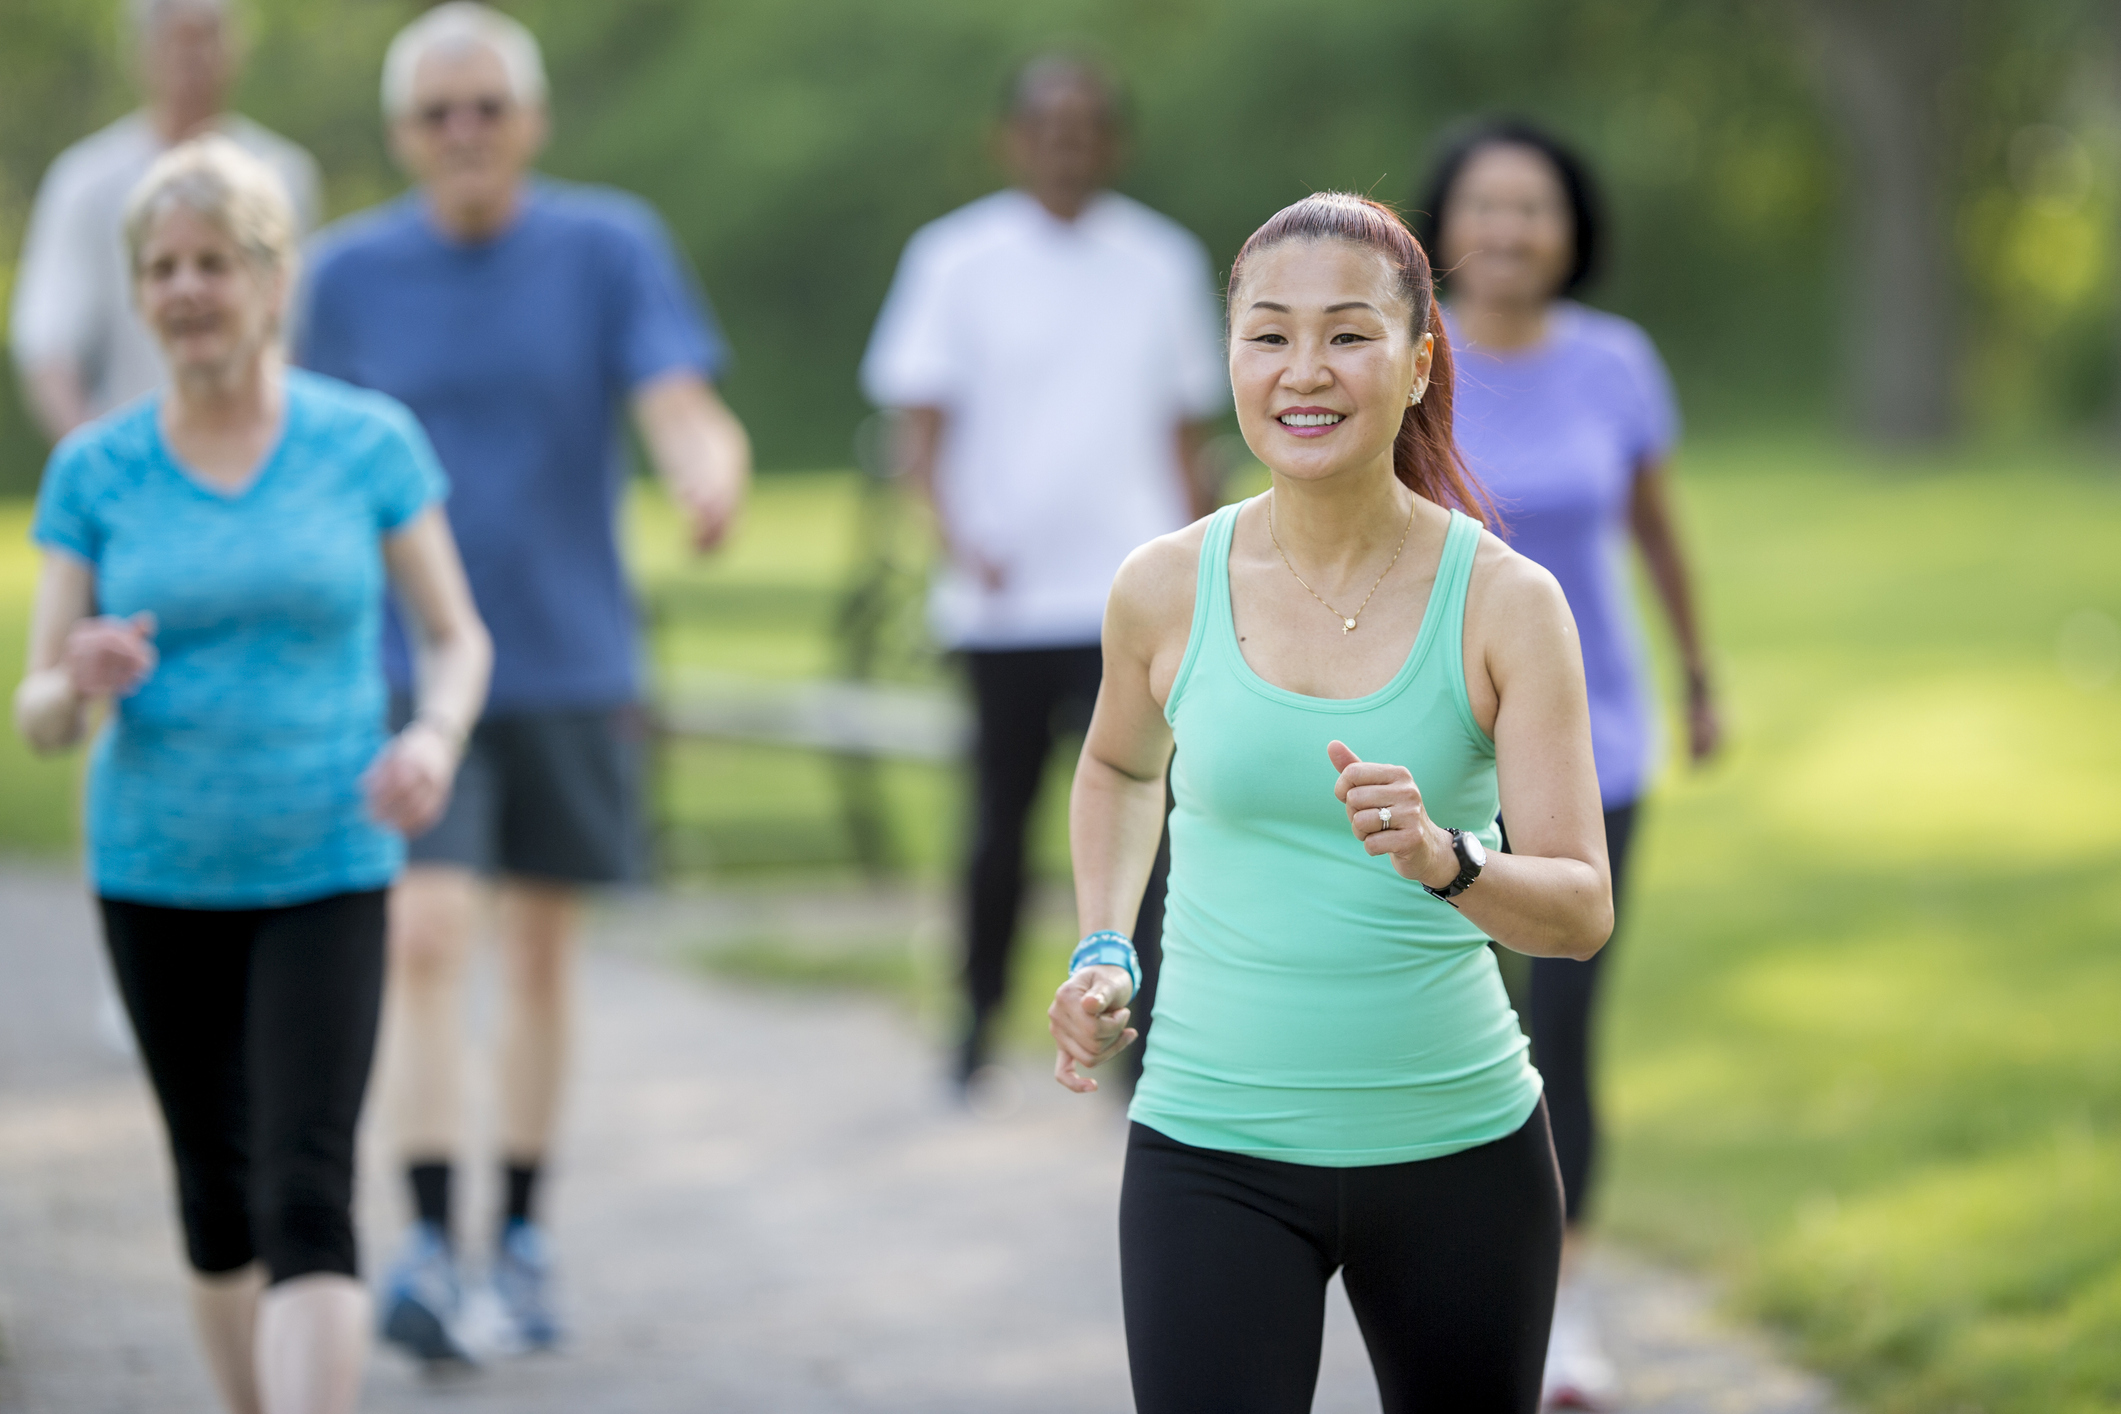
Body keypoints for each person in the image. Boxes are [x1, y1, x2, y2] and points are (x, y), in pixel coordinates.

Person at [1049, 192, 1614, 1413]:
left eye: (1349, 336)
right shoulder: (1162, 587)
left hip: (1460, 1151)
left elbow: (1579, 910)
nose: (1306, 371)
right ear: (1232, 359)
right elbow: (1118, 766)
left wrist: (1450, 859)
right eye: (1269, 335)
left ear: (1417, 366)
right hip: (1210, 1148)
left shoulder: (1508, 604)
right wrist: (1104, 943)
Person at [297, 1, 750, 1364]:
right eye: (438, 114)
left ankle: (528, 1231)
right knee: (427, 933)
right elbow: (304, 457)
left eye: (487, 106)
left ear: (531, 121)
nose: (465, 133)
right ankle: (433, 1240)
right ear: (403, 136)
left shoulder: (607, 244)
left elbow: (679, 398)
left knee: (544, 952)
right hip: (409, 662)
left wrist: (705, 468)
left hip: (567, 653)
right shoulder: (347, 277)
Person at [11, 137, 489, 1414]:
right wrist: (75, 676)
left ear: (270, 280)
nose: (186, 290)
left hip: (328, 856)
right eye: (162, 267)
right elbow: (35, 712)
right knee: (215, 1193)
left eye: (213, 262)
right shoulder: (95, 470)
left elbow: (456, 636)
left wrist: (432, 737)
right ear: (137, 291)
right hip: (155, 868)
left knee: (305, 1186)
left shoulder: (365, 444)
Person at [1418, 120, 1724, 1411]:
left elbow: (1652, 525)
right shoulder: (1407, 353)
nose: (1505, 230)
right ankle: (1435, 1279)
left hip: (1597, 740)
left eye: (1531, 207)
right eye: (1483, 207)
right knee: (1444, 1021)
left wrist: (1700, 672)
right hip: (1434, 743)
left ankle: (1560, 1300)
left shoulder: (1616, 362)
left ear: (1569, 229)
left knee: (1563, 1025)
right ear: (1443, 224)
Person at [861, 53, 1228, 1094]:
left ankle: (1140, 1038)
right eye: (1048, 125)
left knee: (1145, 816)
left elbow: (1187, 435)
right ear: (1011, 139)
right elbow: (918, 432)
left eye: (1087, 126)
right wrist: (957, 539)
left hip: (1135, 598)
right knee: (1002, 819)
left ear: (1114, 141)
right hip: (1005, 601)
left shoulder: (1161, 262)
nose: (1067, 143)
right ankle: (976, 1015)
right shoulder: (955, 259)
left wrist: (1203, 560)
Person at [10, 0, 321, 443]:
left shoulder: (283, 174)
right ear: (141, 53)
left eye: (206, 39)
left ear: (236, 51)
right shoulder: (84, 182)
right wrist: (96, 456)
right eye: (175, 41)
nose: (190, 58)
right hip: (136, 450)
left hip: (260, 452)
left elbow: (294, 334)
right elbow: (47, 346)